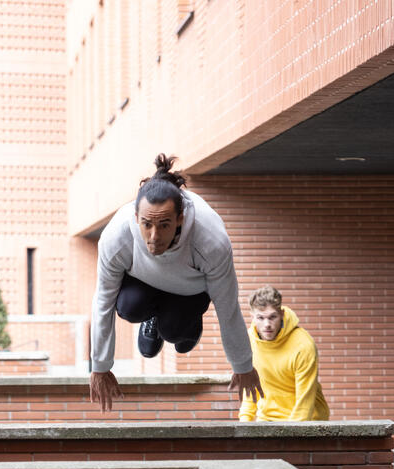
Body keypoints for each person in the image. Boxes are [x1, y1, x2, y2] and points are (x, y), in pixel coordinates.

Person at [89, 153, 263, 412]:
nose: (154, 237)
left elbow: (228, 307)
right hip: (144, 282)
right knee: (128, 306)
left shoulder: (210, 242)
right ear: (136, 216)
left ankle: (187, 325)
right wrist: (100, 367)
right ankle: (152, 318)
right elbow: (103, 300)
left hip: (189, 291)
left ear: (180, 219)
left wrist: (242, 365)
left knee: (176, 335)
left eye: (164, 225)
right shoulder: (116, 238)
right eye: (147, 224)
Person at [238, 286, 329, 422]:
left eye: (272, 317)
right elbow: (250, 391)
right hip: (268, 419)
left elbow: (305, 401)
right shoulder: (248, 342)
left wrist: (292, 438)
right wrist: (244, 424)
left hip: (308, 421)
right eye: (261, 318)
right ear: (252, 316)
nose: (267, 324)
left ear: (281, 313)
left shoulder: (303, 345)